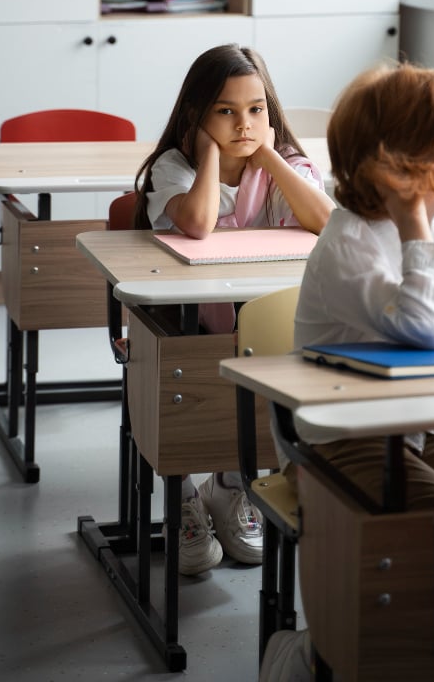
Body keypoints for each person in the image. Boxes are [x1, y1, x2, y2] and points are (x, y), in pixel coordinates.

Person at [260, 60, 434, 681]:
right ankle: (313, 650)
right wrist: (418, 226)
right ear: (415, 165)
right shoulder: (352, 240)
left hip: (428, 426)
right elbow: (427, 331)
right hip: (341, 437)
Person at [134, 43, 334, 577]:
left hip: (267, 325)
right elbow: (197, 223)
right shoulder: (176, 167)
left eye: (256, 109)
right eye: (225, 110)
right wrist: (211, 158)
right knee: (192, 392)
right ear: (196, 115)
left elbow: (323, 219)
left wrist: (268, 155)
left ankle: (230, 485)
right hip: (192, 326)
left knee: (269, 390)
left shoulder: (286, 164)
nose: (243, 123)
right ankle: (182, 495)